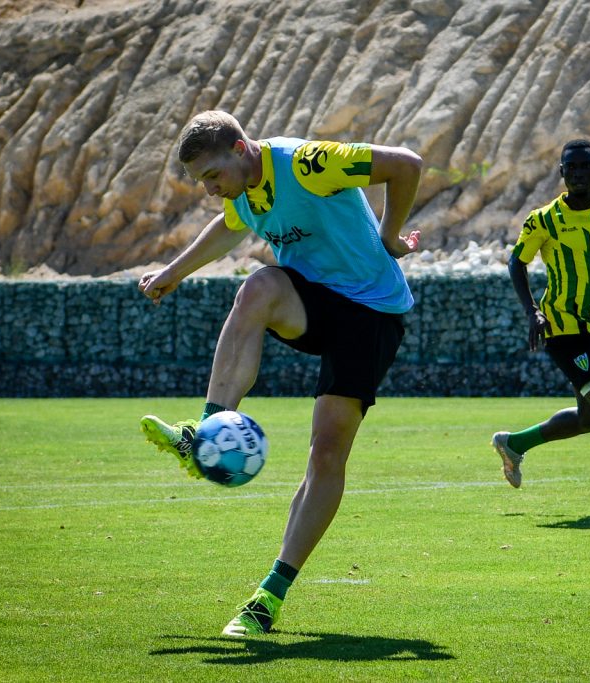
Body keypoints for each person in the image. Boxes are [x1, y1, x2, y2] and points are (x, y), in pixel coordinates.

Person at [138, 110, 422, 636]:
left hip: (373, 312)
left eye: (212, 177)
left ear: (242, 149)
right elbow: (227, 230)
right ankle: (207, 431)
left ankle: (269, 595)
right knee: (259, 288)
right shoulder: (242, 192)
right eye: (203, 182)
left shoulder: (310, 163)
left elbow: (406, 165)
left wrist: (390, 237)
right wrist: (173, 273)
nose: (211, 191)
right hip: (316, 305)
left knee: (327, 451)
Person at [492, 139, 590, 516]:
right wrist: (532, 311)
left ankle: (514, 443)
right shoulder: (544, 219)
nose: (579, 173)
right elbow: (517, 264)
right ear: (562, 173)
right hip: (561, 328)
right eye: (572, 168)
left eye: (586, 166)